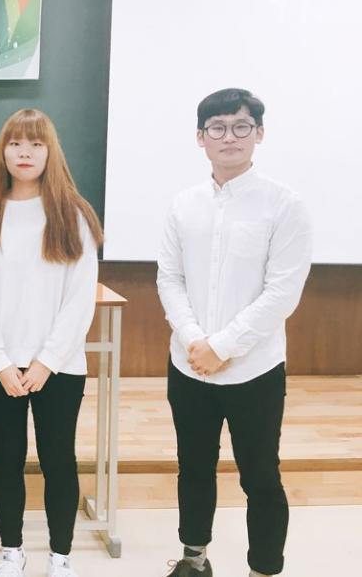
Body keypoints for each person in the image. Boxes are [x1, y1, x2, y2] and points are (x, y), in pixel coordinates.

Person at [157, 88, 312, 577]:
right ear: (200, 137)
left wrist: (222, 346)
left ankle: (263, 568)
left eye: (241, 126)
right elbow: (170, 279)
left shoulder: (284, 205)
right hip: (189, 364)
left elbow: (282, 292)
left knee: (260, 475)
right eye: (217, 128)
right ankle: (193, 559)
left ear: (258, 134)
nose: (230, 137)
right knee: (193, 467)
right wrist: (193, 339)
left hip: (255, 369)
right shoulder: (183, 205)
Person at [0, 109, 102, 577]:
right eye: (15, 143)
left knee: (58, 459)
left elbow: (80, 298)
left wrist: (47, 361)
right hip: (0, 366)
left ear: (51, 153)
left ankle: (60, 556)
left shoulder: (74, 216)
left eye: (35, 144)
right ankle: (12, 552)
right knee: (5, 459)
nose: (24, 153)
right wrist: (0, 361)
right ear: (2, 152)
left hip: (59, 367)